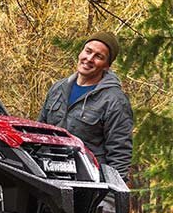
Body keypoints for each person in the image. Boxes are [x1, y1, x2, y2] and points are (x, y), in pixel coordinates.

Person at [38, 31, 134, 183]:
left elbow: (120, 153)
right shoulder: (58, 89)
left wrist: (110, 197)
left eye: (99, 56)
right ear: (81, 52)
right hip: (51, 179)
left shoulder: (114, 100)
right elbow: (39, 133)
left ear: (107, 66)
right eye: (88, 51)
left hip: (90, 185)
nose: (89, 59)